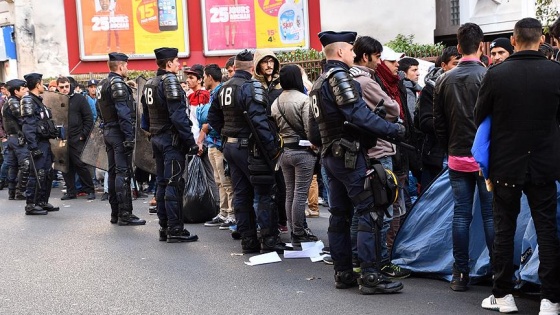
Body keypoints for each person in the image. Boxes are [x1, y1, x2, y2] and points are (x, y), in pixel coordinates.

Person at [308, 31, 405, 294]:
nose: (353, 53)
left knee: (339, 216)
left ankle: (343, 273)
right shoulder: (340, 77)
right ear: (340, 52)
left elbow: (313, 131)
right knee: (370, 212)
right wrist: (391, 130)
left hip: (330, 156)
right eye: (351, 50)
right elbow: (357, 113)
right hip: (350, 156)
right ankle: (371, 277)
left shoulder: (318, 83)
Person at [475, 18, 560, 314]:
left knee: (504, 229)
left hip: (506, 164)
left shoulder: (496, 74)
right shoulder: (556, 72)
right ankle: (550, 299)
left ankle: (503, 295)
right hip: (545, 163)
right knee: (547, 230)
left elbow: (479, 114)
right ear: (541, 39)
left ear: (513, 40)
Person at [207, 49, 288, 254]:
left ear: (235, 67)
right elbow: (260, 122)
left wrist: (226, 134)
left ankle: (248, 240)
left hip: (230, 146)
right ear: (252, 68)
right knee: (264, 193)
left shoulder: (224, 87)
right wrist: (272, 149)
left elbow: (213, 118)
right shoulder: (251, 87)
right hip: (251, 147)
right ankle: (269, 239)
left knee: (241, 194)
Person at [433, 22, 493, 292]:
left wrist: (449, 150)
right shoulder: (490, 76)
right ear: (481, 46)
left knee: (460, 216)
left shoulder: (443, 79)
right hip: (487, 158)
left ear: (458, 47)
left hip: (457, 156)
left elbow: (439, 123)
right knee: (492, 217)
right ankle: (497, 272)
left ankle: (460, 272)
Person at [350, 35, 411, 279]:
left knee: (360, 211)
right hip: (379, 150)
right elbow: (393, 108)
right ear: (366, 56)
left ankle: (357, 260)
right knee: (381, 210)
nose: (380, 63)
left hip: (357, 152)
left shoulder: (343, 78)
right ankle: (380, 262)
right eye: (377, 57)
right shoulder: (365, 81)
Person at [141, 47, 199, 243]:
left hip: (157, 138)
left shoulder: (150, 83)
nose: (179, 64)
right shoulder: (170, 81)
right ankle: (175, 229)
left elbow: (144, 118)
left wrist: (153, 133)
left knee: (162, 182)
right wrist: (190, 142)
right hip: (170, 140)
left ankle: (164, 227)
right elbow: (178, 116)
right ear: (168, 64)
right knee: (174, 183)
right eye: (177, 61)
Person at [271, 64, 318, 245]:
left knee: (290, 192)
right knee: (300, 193)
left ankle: (293, 229)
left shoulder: (276, 101)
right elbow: (310, 128)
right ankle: (298, 231)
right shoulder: (303, 100)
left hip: (285, 152)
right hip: (303, 151)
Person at [97, 52, 145, 226]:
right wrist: (129, 137)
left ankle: (115, 213)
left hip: (108, 131)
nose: (128, 69)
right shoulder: (117, 84)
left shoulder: (103, 84)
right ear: (121, 66)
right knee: (123, 173)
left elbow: (99, 110)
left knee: (113, 171)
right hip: (118, 132)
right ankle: (125, 214)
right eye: (126, 65)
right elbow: (124, 113)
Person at [417, 46, 461, 191]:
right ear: (443, 65)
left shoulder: (468, 84)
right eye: (455, 64)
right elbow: (425, 122)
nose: (459, 68)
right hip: (439, 155)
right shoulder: (431, 88)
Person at [199, 64, 235, 230]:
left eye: (204, 77)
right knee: (219, 181)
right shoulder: (214, 93)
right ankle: (223, 212)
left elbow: (219, 118)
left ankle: (232, 214)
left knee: (227, 181)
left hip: (220, 143)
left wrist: (208, 127)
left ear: (210, 78)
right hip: (213, 143)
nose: (203, 80)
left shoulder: (220, 92)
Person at [21, 73, 60, 215]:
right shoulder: (28, 101)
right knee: (36, 173)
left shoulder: (38, 100)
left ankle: (42, 201)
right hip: (37, 143)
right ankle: (31, 204)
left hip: (44, 141)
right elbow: (28, 127)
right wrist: (33, 147)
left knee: (47, 173)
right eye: (42, 82)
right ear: (37, 84)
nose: (43, 85)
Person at [57, 77, 96, 200]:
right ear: (58, 87)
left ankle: (89, 189)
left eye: (66, 86)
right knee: (65, 167)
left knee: (81, 165)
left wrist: (82, 135)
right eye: (62, 87)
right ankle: (71, 191)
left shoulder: (79, 99)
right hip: (61, 139)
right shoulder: (56, 100)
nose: (64, 89)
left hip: (76, 138)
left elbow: (89, 119)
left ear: (70, 86)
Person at [2, 79, 30, 201]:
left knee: (13, 166)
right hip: (17, 138)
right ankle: (20, 191)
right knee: (25, 164)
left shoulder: (11, 101)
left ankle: (12, 192)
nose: (26, 90)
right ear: (16, 91)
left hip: (12, 138)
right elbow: (21, 118)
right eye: (23, 89)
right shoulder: (14, 101)